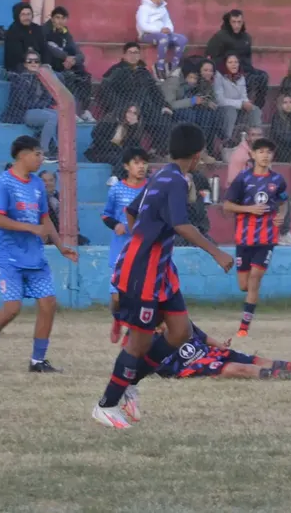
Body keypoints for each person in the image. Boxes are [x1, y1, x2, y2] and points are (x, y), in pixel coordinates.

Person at [92, 123, 234, 430]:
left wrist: (144, 239)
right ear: (197, 156)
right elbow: (182, 225)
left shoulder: (161, 176)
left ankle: (129, 382)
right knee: (138, 345)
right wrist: (217, 252)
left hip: (161, 271)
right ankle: (105, 406)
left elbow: (131, 212)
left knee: (180, 332)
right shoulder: (176, 181)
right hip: (143, 272)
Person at [0, 136, 78, 374]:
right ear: (23, 155)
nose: (41, 158)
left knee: (48, 304)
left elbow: (44, 219)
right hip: (9, 257)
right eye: (37, 154)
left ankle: (37, 361)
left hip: (34, 256)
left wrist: (60, 246)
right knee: (12, 308)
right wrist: (31, 228)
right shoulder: (3, 183)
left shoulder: (37, 184)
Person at [222, 137, 288, 337]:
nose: (265, 155)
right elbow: (227, 206)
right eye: (261, 152)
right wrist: (248, 209)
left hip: (267, 238)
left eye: (268, 152)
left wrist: (281, 216)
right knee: (244, 284)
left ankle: (243, 327)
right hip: (244, 238)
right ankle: (248, 309)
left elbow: (284, 201)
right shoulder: (242, 179)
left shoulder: (277, 180)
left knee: (255, 278)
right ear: (252, 155)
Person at [154, 320, 291, 381]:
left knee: (255, 360)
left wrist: (220, 345)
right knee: (241, 369)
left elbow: (202, 336)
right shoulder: (153, 343)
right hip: (196, 366)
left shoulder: (181, 322)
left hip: (210, 353)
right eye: (164, 320)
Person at [103, 147, 149, 345]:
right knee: (116, 297)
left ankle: (131, 331)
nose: (141, 167)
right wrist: (116, 225)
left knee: (138, 295)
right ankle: (117, 320)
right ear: (126, 166)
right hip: (121, 248)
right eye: (136, 163)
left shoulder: (151, 188)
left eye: (144, 163)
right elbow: (106, 215)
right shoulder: (117, 189)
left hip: (143, 248)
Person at [98, 42, 174, 157]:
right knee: (136, 120)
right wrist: (119, 107)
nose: (134, 56)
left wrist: (164, 105)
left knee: (163, 119)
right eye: (130, 53)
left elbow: (154, 91)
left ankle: (159, 152)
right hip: (127, 107)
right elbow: (105, 89)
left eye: (136, 53)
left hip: (146, 107)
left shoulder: (143, 72)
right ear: (124, 55)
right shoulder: (116, 70)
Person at [204, 9, 269, 110]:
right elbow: (210, 56)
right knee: (249, 80)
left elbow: (248, 57)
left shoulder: (246, 38)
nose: (237, 25)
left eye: (239, 22)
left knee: (263, 76)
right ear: (228, 23)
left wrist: (248, 69)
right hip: (226, 72)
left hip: (244, 68)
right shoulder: (220, 37)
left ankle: (257, 107)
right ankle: (243, 107)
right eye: (233, 22)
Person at [1, 50, 59, 163]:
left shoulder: (41, 78)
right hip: (21, 113)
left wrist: (41, 105)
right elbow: (23, 103)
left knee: (58, 115)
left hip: (36, 110)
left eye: (36, 61)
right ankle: (44, 151)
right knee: (51, 117)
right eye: (29, 61)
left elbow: (48, 99)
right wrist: (41, 105)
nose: (33, 63)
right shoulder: (20, 79)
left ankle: (55, 148)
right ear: (24, 64)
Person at [162, 59, 222, 157]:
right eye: (191, 77)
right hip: (170, 111)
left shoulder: (196, 83)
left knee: (208, 114)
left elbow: (201, 98)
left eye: (195, 78)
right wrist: (193, 101)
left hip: (189, 108)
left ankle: (203, 148)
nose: (193, 81)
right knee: (191, 115)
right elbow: (170, 104)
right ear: (184, 75)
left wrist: (205, 102)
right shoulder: (173, 82)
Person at [44, 6, 94, 121]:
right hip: (52, 66)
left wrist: (74, 60)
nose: (60, 21)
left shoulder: (66, 33)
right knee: (69, 77)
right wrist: (66, 57)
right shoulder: (45, 31)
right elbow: (49, 49)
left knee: (85, 76)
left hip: (66, 66)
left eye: (63, 18)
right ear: (52, 18)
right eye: (57, 17)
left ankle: (83, 111)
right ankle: (71, 111)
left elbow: (80, 54)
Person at [135, 0, 187, 80]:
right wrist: (159, 30)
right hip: (147, 35)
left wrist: (168, 29)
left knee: (182, 39)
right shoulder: (143, 8)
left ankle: (173, 66)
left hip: (163, 33)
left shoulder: (163, 8)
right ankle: (160, 67)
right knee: (163, 38)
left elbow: (168, 22)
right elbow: (143, 25)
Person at [85, 103, 145, 182]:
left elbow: (132, 146)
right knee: (123, 158)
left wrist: (133, 127)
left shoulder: (134, 128)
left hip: (119, 153)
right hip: (100, 152)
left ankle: (116, 179)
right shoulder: (111, 120)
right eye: (129, 111)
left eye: (134, 113)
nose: (131, 115)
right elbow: (95, 135)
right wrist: (113, 146)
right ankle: (116, 177)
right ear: (124, 112)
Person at [213, 53, 258, 145]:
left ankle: (255, 138)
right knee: (231, 111)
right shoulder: (219, 76)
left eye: (236, 62)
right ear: (225, 64)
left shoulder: (241, 76)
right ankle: (228, 141)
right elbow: (220, 100)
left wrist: (247, 103)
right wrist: (241, 104)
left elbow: (244, 95)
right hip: (222, 108)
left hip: (238, 106)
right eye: (230, 62)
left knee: (255, 109)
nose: (234, 64)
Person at [3, 2, 48, 72]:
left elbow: (44, 49)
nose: (26, 17)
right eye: (23, 14)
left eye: (28, 14)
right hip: (20, 66)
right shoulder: (13, 31)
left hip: (37, 64)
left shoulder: (37, 28)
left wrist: (45, 64)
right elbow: (16, 56)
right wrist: (33, 63)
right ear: (17, 16)